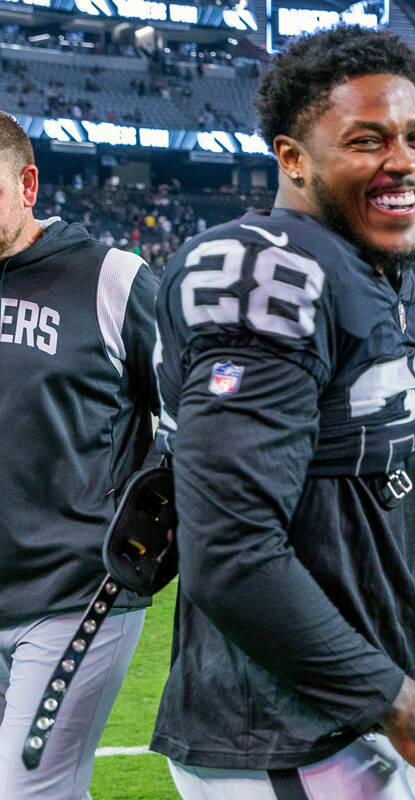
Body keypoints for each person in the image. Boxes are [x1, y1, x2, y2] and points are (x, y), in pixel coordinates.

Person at [151, 27, 415, 799]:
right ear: (292, 158)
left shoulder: (355, 267)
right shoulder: (270, 270)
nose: (404, 161)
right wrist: (396, 702)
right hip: (289, 737)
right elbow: (229, 549)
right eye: (367, 141)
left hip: (335, 724)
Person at [0, 113, 158, 800]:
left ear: (28, 183)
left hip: (76, 592)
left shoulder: (111, 278)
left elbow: (196, 412)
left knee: (29, 791)